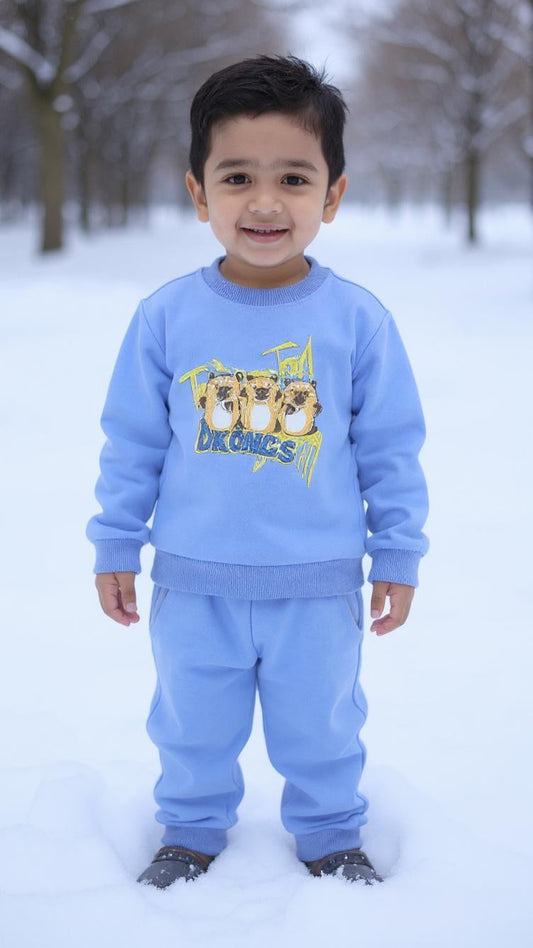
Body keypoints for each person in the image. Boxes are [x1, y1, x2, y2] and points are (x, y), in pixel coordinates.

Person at [87, 55, 429, 889]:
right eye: (237, 177)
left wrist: (396, 556)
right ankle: (192, 828)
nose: (265, 203)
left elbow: (389, 448)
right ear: (199, 193)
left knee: (322, 724)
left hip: (316, 586)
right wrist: (114, 543)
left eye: (293, 177)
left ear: (332, 195)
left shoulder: (356, 321)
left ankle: (327, 832)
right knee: (190, 723)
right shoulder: (166, 318)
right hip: (194, 583)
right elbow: (133, 442)